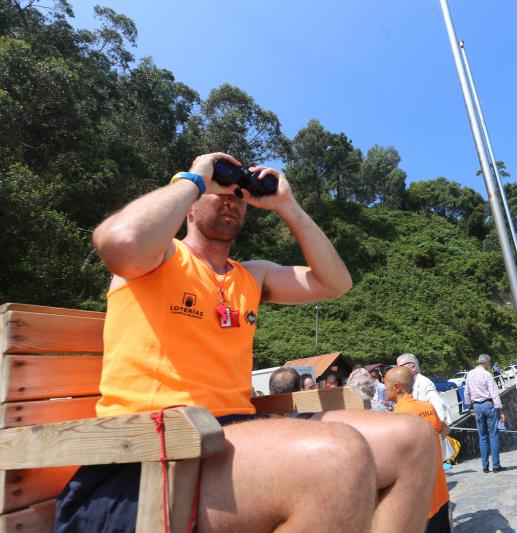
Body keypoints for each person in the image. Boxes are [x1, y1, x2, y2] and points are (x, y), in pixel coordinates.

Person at [56, 152, 439, 532]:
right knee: (336, 457)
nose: (230, 197)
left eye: (239, 193)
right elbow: (119, 241)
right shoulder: (154, 258)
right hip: (147, 457)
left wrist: (287, 206)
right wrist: (196, 177)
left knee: (413, 439)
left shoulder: (252, 276)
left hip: (233, 438)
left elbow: (335, 282)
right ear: (187, 205)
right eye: (218, 189)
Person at [385, 367, 450, 533]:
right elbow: (444, 430)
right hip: (440, 493)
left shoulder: (399, 416)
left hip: (421, 503)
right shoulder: (427, 407)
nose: (384, 389)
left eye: (386, 385)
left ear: (397, 387)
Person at [463, 353, 505, 473]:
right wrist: (501, 410)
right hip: (488, 405)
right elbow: (494, 394)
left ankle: (485, 466)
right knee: (494, 434)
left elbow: (466, 392)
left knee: (482, 437)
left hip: (476, 406)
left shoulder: (470, 374)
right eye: (489, 363)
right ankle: (496, 466)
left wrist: (469, 406)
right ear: (486, 363)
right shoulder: (487, 375)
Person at [397, 353, 449, 425]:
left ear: (413, 367)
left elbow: (439, 407)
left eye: (401, 367)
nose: (398, 371)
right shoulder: (408, 384)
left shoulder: (425, 383)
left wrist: (437, 429)